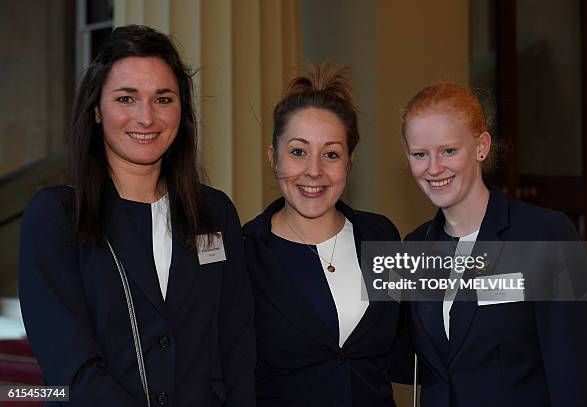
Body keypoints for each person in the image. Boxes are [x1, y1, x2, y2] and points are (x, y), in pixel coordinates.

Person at [19, 25, 255, 406]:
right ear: (96, 109)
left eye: (163, 99)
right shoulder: (55, 216)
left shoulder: (214, 213)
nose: (146, 118)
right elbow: (69, 365)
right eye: (126, 98)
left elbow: (236, 346)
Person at [396, 82, 587, 406]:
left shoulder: (547, 234)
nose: (433, 168)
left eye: (448, 150)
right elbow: (407, 359)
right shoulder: (415, 246)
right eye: (420, 154)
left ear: (481, 146)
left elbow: (574, 375)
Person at [243, 65, 402, 406]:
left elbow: (439, 313)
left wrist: (540, 268)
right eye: (298, 151)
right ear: (274, 159)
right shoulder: (244, 253)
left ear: (349, 163)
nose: (314, 170)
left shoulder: (380, 235)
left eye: (331, 154)